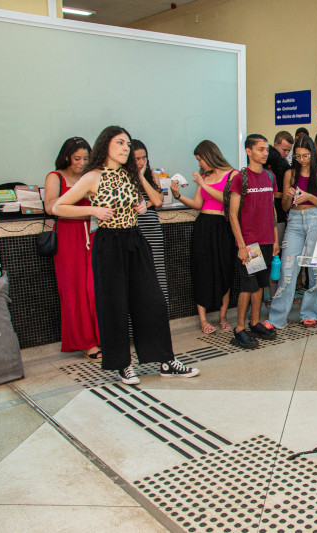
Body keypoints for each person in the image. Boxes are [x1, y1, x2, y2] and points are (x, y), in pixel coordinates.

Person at [53, 125, 199, 384]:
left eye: (128, 144)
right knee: (115, 306)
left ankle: (166, 359)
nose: (125, 148)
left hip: (134, 239)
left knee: (153, 302)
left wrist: (141, 199)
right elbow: (58, 206)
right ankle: (123, 364)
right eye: (120, 143)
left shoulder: (130, 175)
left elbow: (156, 201)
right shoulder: (93, 177)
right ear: (106, 145)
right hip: (108, 243)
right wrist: (93, 211)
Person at [265, 135, 317, 329]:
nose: (302, 159)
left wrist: (310, 196)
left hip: (316, 219)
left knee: (315, 269)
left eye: (305, 156)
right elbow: (286, 207)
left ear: (312, 154)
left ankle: (309, 313)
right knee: (288, 270)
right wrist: (288, 197)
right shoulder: (290, 174)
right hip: (294, 220)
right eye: (298, 156)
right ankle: (277, 318)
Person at [170, 140, 236, 335]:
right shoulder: (205, 177)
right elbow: (198, 204)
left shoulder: (232, 175)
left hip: (223, 226)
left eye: (200, 160)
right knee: (202, 270)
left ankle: (223, 316)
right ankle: (203, 319)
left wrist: (202, 184)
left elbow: (227, 198)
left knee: (225, 269)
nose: (199, 164)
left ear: (209, 156)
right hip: (203, 226)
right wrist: (178, 195)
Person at [43, 136, 101, 360]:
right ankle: (87, 343)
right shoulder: (55, 176)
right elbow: (50, 207)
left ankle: (102, 336)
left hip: (94, 234)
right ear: (67, 156)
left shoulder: (91, 177)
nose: (82, 162)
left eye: (86, 158)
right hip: (69, 238)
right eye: (77, 158)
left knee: (95, 289)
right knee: (75, 291)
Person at [227, 134, 280, 348]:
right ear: (248, 151)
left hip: (267, 241)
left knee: (260, 285)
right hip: (250, 243)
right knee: (248, 287)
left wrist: (275, 240)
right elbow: (232, 214)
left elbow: (272, 210)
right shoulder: (241, 178)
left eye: (266, 149)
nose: (265, 153)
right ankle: (239, 328)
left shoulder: (270, 177)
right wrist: (241, 245)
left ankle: (255, 322)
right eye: (260, 149)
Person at [132, 140, 168, 305]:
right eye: (136, 158)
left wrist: (141, 177)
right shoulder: (122, 177)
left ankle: (161, 313)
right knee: (138, 276)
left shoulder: (151, 175)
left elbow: (158, 200)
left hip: (152, 228)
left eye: (143, 158)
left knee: (158, 273)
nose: (140, 162)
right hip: (134, 229)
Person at [266, 131, 294, 254]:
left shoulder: (283, 164)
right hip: (273, 211)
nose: (286, 153)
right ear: (275, 145)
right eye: (284, 150)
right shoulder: (271, 160)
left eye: (289, 150)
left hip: (280, 212)